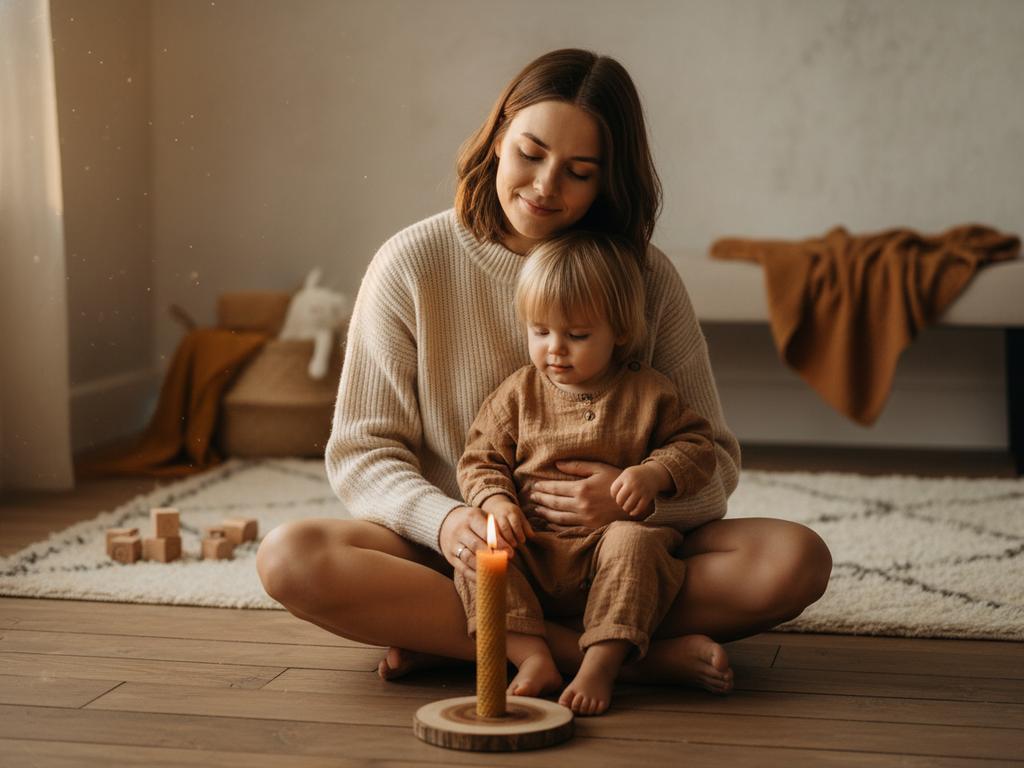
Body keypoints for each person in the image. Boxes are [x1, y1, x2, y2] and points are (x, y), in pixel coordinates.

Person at [256, 48, 831, 698]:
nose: (545, 186)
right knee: (291, 558)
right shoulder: (412, 263)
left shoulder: (644, 277)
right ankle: (618, 658)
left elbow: (714, 462)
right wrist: (448, 523)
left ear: (607, 182)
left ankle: (470, 644)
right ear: (498, 135)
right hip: (468, 558)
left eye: (578, 171)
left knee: (795, 561)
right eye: (530, 153)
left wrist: (628, 496)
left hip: (620, 557)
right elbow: (362, 454)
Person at [456, 230, 718, 715]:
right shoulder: (517, 394)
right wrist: (497, 502)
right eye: (540, 332)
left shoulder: (650, 392)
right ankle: (533, 658)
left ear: (619, 331)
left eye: (576, 336)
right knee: (476, 556)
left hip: (609, 548)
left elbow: (701, 448)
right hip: (532, 548)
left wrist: (654, 474)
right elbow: (479, 459)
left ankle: (601, 664)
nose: (555, 349)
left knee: (636, 544)